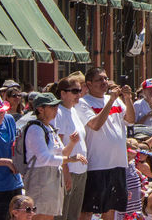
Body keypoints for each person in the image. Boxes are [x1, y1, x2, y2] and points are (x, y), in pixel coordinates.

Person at [78, 67, 134, 220]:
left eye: (105, 78)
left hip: (118, 162)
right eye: (99, 79)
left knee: (111, 208)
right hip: (97, 164)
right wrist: (110, 101)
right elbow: (95, 125)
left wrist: (127, 99)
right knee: (88, 209)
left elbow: (130, 120)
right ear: (88, 84)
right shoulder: (83, 103)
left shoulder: (117, 101)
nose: (104, 82)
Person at [23, 93, 85, 220]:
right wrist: (70, 159)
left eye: (57, 106)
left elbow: (62, 154)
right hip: (40, 179)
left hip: (53, 179)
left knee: (49, 216)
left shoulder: (49, 128)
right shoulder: (35, 129)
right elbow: (44, 158)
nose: (56, 109)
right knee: (38, 216)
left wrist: (72, 143)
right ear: (40, 109)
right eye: (52, 107)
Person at [53, 73, 89, 220]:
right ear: (63, 93)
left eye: (79, 91)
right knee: (63, 214)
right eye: (74, 91)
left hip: (81, 171)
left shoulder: (74, 110)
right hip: (69, 171)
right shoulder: (59, 113)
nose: (78, 94)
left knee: (74, 215)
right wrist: (66, 171)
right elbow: (58, 146)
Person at [0, 97, 22, 220]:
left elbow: (16, 145)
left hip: (14, 182)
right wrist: (6, 162)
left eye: (2, 111)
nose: (0, 114)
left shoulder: (9, 119)